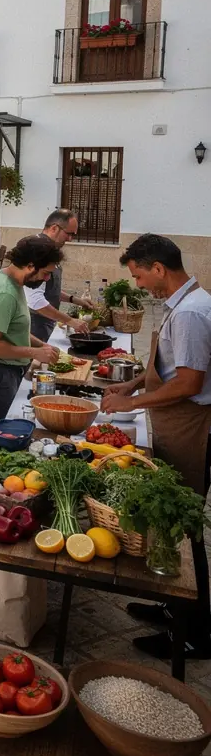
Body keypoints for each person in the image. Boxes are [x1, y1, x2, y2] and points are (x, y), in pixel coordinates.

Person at [100, 234, 211, 660]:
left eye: (139, 275)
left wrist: (132, 402)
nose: (140, 284)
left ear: (159, 268)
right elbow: (167, 369)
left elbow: (189, 382)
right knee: (177, 527)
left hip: (191, 427)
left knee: (186, 529)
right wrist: (132, 382)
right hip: (177, 423)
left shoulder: (191, 314)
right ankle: (173, 606)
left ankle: (195, 631)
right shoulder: (185, 304)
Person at [0, 235, 63, 458]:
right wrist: (34, 352)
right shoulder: (5, 293)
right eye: (45, 273)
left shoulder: (13, 281)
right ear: (30, 265)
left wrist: (41, 344)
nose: (47, 279)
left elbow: (13, 330)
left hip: (2, 371)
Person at [26, 209, 95, 341]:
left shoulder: (51, 250)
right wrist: (70, 321)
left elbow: (49, 287)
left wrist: (75, 300)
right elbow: (35, 300)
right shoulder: (37, 250)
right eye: (68, 234)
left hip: (46, 322)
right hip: (34, 324)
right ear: (54, 228)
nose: (70, 239)